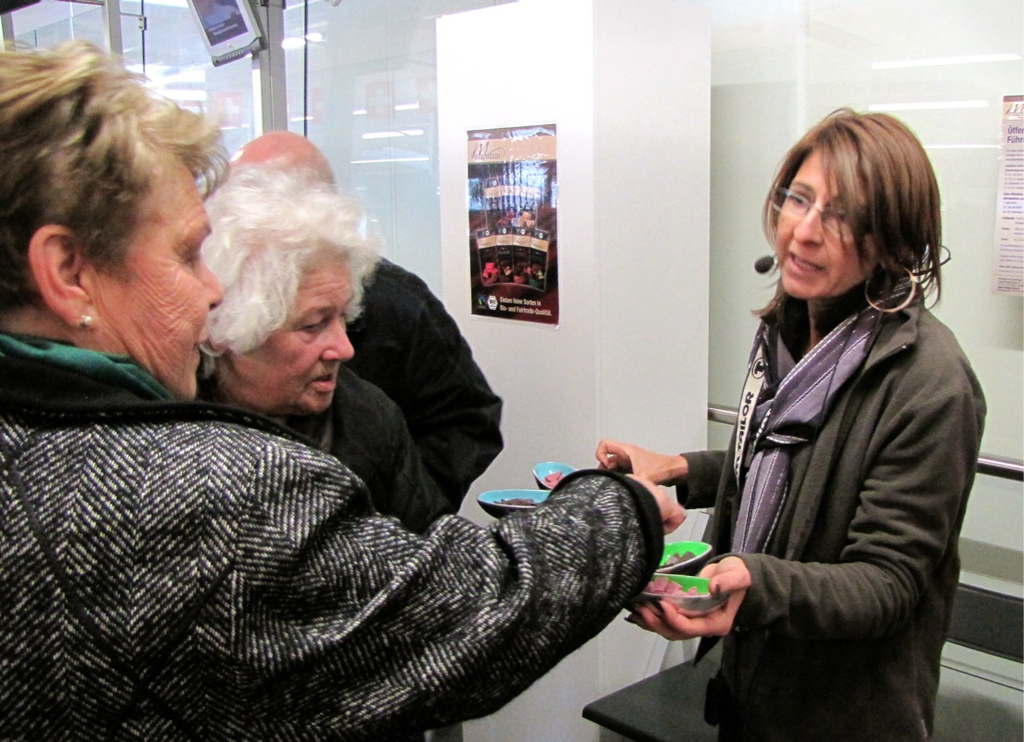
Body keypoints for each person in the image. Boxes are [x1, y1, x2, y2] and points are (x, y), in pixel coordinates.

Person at [0, 41, 687, 741]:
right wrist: (622, 508)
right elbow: (456, 614)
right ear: (67, 272)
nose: (209, 291)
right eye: (183, 254)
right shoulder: (208, 487)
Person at [597, 109, 986, 741]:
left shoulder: (931, 382)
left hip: (846, 715)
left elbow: (888, 582)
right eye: (798, 200)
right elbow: (793, 465)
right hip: (750, 686)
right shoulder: (790, 330)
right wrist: (681, 470)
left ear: (894, 240)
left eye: (842, 216)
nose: (802, 233)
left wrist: (755, 583)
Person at [231, 131, 504, 509]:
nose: (341, 348)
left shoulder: (397, 307)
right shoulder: (198, 328)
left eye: (341, 317)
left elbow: (467, 417)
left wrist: (401, 501)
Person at [198, 165, 453, 533]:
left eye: (343, 317)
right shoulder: (162, 436)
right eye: (313, 325)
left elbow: (428, 552)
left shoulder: (369, 418)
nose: (344, 349)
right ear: (227, 327)